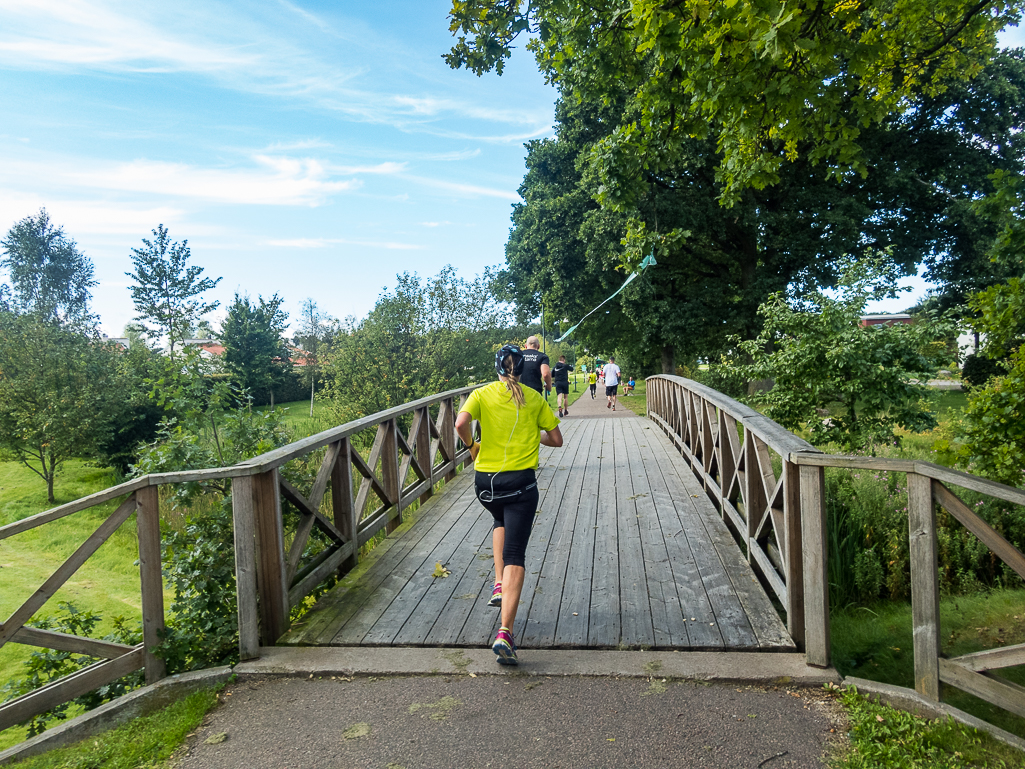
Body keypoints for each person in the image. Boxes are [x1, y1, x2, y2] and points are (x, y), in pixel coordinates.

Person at [455, 345, 563, 666]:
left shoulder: (481, 393)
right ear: (520, 369)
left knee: (499, 520)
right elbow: (556, 439)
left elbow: (460, 424)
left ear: (498, 369)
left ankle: (499, 583)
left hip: (486, 485)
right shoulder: (534, 398)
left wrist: (473, 445)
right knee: (516, 553)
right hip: (520, 485)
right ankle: (505, 633)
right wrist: (535, 435)